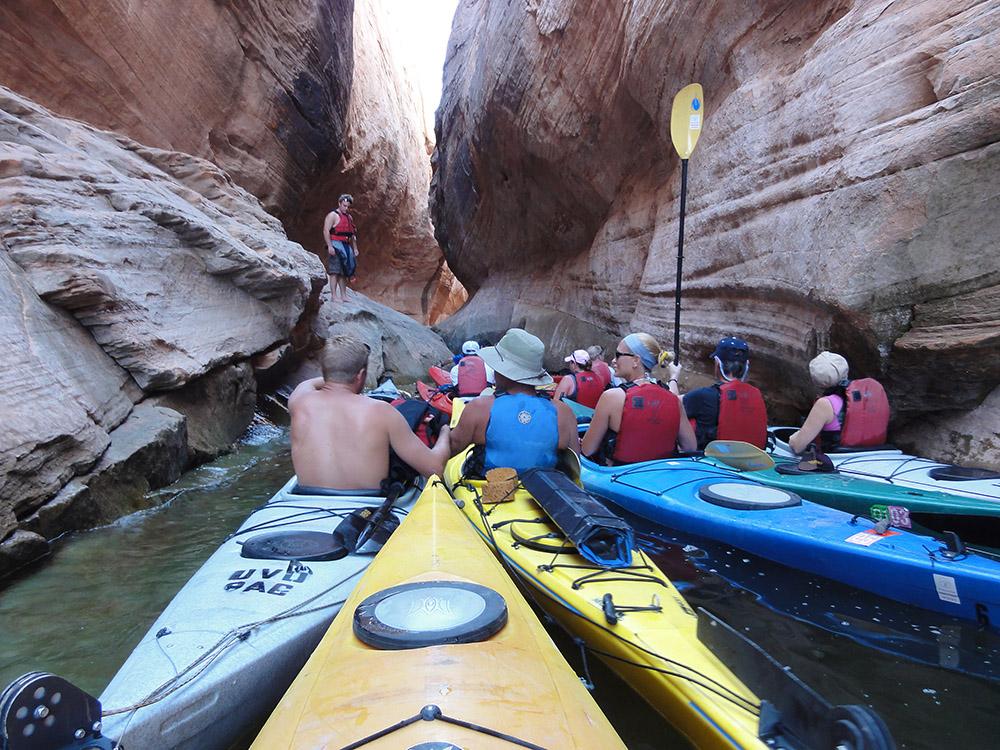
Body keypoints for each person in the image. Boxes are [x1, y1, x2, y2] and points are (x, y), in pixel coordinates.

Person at [289, 334, 451, 490]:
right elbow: (434, 468)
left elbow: (308, 383)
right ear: (360, 375)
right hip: (366, 507)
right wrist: (444, 432)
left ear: (325, 371)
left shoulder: (299, 400)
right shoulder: (382, 411)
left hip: (305, 501)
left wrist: (335, 374)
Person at [449, 328, 578, 474]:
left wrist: (443, 432)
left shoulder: (479, 408)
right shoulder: (564, 412)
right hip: (546, 490)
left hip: (490, 490)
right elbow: (575, 465)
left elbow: (452, 448)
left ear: (502, 371)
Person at [581, 333, 697, 464]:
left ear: (636, 360)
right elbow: (690, 447)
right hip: (660, 478)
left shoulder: (611, 397)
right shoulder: (673, 400)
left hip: (618, 478)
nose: (613, 360)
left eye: (618, 355)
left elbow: (587, 449)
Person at [788, 351, 889, 454]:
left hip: (838, 458)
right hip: (876, 453)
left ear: (816, 380)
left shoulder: (825, 404)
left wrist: (793, 438)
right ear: (846, 370)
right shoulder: (868, 394)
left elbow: (798, 447)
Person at [683, 337, 768, 449]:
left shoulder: (702, 396)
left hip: (711, 461)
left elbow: (674, 406)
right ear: (747, 365)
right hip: (750, 462)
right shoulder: (756, 395)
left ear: (717, 363)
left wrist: (673, 378)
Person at [322, 194, 359, 302]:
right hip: (336, 245)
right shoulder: (332, 216)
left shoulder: (349, 218)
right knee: (335, 271)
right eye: (344, 205)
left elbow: (352, 235)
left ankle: (343, 295)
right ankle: (334, 296)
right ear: (339, 203)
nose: (346, 208)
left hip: (346, 246)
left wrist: (355, 248)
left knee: (344, 271)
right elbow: (326, 231)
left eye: (347, 206)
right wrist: (329, 246)